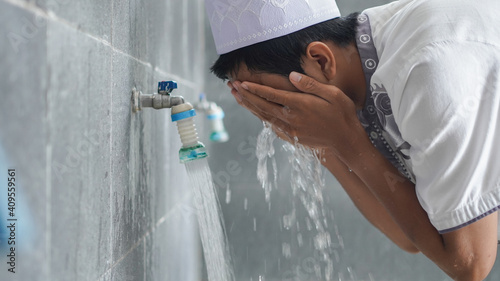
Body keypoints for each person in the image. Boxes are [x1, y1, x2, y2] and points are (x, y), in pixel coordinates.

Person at [205, 0, 500, 279]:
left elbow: (471, 264)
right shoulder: (364, 59)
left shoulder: (425, 71)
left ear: (320, 60)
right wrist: (329, 145)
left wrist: (347, 140)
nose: (275, 115)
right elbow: (413, 236)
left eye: (275, 99)